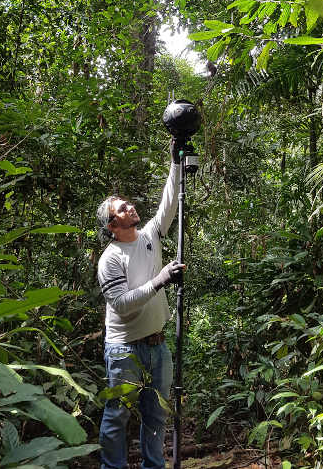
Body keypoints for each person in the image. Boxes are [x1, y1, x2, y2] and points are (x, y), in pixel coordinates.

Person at [96, 142, 184, 469]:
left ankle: (153, 466)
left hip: (157, 345)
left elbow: (170, 203)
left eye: (127, 204)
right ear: (112, 226)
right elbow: (121, 306)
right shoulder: (110, 259)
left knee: (156, 413)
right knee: (118, 415)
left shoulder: (149, 235)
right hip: (124, 350)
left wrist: (175, 164)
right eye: (121, 209)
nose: (129, 208)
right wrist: (160, 280)